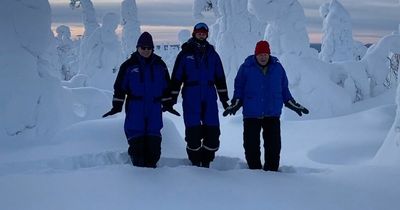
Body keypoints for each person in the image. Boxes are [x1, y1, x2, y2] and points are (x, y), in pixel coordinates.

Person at [223, 40, 309, 171]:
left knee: (273, 146)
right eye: (260, 54)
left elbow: (284, 89)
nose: (262, 57)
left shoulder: (278, 68)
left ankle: (272, 172)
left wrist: (291, 103)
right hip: (251, 114)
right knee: (251, 145)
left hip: (272, 113)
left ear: (269, 54)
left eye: (265, 54)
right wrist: (236, 102)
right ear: (255, 55)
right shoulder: (246, 68)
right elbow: (239, 88)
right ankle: (254, 170)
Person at [102, 32, 180, 168]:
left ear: (152, 49)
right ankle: (138, 175)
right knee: (137, 144)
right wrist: (116, 106)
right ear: (137, 47)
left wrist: (168, 104)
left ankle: (152, 172)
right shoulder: (128, 65)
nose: (146, 50)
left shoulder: (159, 65)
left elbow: (166, 87)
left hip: (154, 108)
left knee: (154, 145)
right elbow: (120, 88)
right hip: (135, 107)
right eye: (143, 47)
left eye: (149, 48)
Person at [170, 22, 229, 168]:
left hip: (209, 95)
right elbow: (177, 77)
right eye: (199, 32)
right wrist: (171, 99)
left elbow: (220, 78)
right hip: (191, 94)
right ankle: (195, 162)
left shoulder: (212, 54)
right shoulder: (185, 54)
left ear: (207, 34)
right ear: (194, 33)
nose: (201, 34)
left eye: (204, 32)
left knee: (213, 133)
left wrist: (224, 99)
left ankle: (207, 161)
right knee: (193, 133)